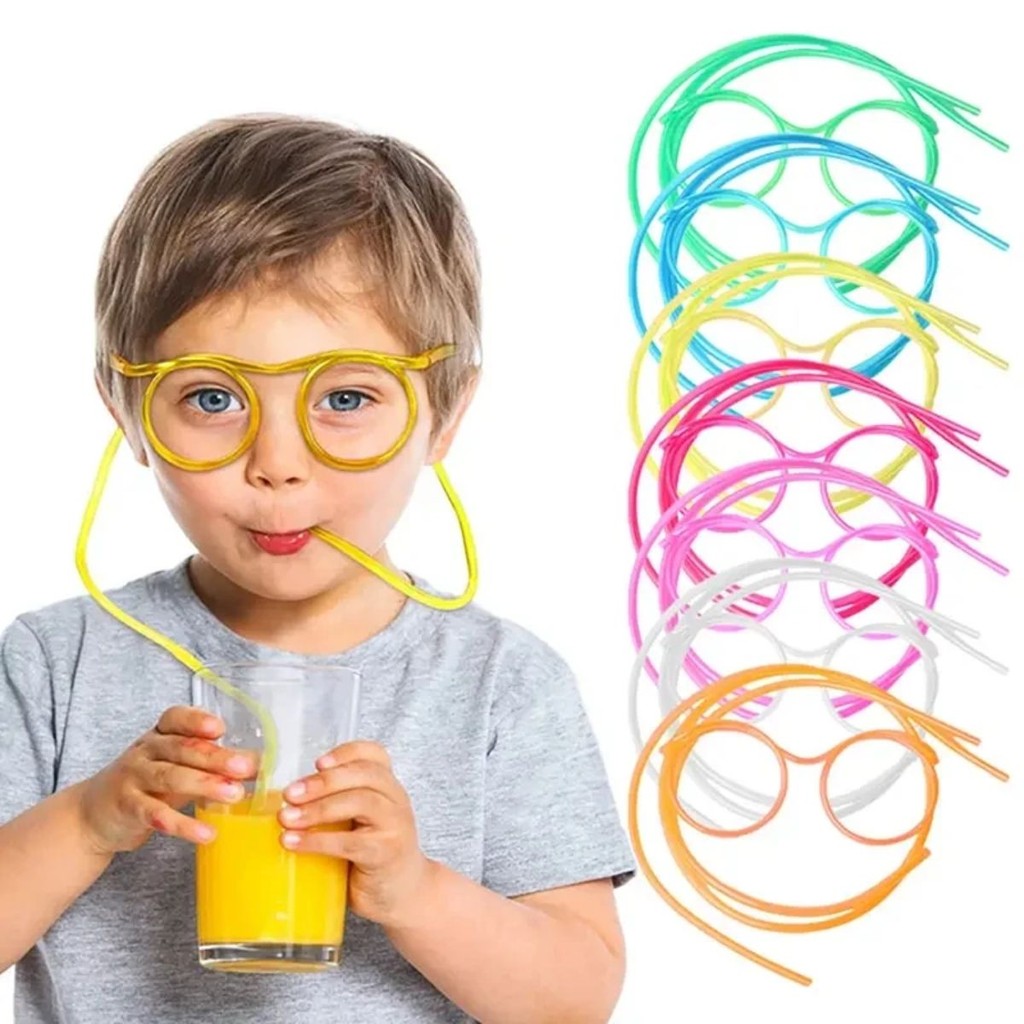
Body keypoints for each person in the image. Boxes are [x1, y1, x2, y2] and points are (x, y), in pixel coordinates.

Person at [0, 114, 636, 1024]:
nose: (279, 465)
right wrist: (88, 820)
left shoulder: (501, 684)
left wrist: (415, 892)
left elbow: (573, 999)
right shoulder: (53, 664)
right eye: (212, 398)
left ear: (445, 413)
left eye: (344, 397)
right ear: (126, 409)